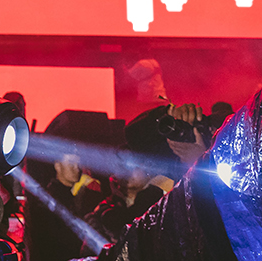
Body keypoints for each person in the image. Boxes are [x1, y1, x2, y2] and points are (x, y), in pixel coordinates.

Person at [86, 102, 210, 241]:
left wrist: (168, 114)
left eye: (131, 164)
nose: (126, 171)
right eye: (120, 166)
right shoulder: (107, 209)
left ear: (147, 167)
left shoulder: (165, 192)